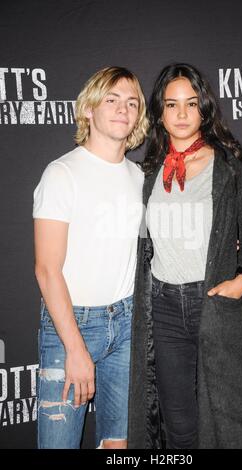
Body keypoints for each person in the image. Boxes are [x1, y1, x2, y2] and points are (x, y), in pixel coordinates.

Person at [128, 63, 242, 449]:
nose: (181, 114)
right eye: (171, 104)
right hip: (162, 307)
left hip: (212, 302)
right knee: (179, 423)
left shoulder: (233, 166)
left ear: (204, 109)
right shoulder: (146, 172)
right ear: (159, 111)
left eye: (190, 104)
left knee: (234, 419)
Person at [33, 66, 148, 449]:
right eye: (111, 99)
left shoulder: (138, 177)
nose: (123, 108)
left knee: (118, 446)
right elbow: (47, 269)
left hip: (128, 322)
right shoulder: (62, 173)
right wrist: (75, 348)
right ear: (88, 109)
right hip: (72, 325)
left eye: (131, 102)